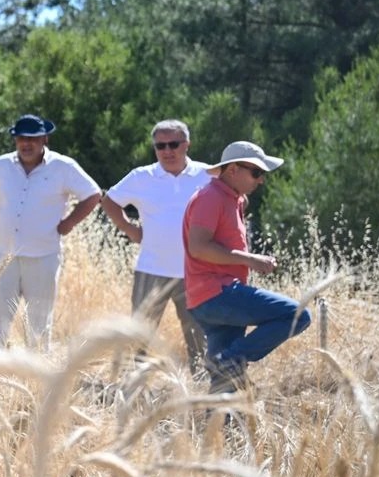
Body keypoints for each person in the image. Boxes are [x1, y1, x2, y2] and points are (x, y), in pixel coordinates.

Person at [183, 141, 310, 394]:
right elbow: (198, 247)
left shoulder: (233, 199)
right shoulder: (210, 198)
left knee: (225, 384)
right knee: (297, 315)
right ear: (232, 170)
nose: (261, 180)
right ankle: (227, 362)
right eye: (256, 173)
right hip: (216, 294)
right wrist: (250, 259)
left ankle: (218, 432)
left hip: (212, 296)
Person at [0, 115, 101, 350]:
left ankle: (37, 377)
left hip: (44, 256)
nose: (26, 144)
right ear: (15, 140)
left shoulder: (63, 167)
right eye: (21, 138)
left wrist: (69, 222)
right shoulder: (2, 165)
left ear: (44, 139)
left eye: (32, 138)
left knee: (39, 321)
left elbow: (92, 195)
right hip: (6, 256)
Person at [101, 119, 211, 369]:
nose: (167, 151)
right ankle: (132, 389)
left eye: (174, 144)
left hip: (195, 271)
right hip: (151, 269)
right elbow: (109, 201)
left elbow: (236, 200)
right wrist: (130, 229)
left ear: (187, 145)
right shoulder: (142, 176)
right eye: (160, 146)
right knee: (139, 335)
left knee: (199, 337)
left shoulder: (208, 174)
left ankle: (201, 394)